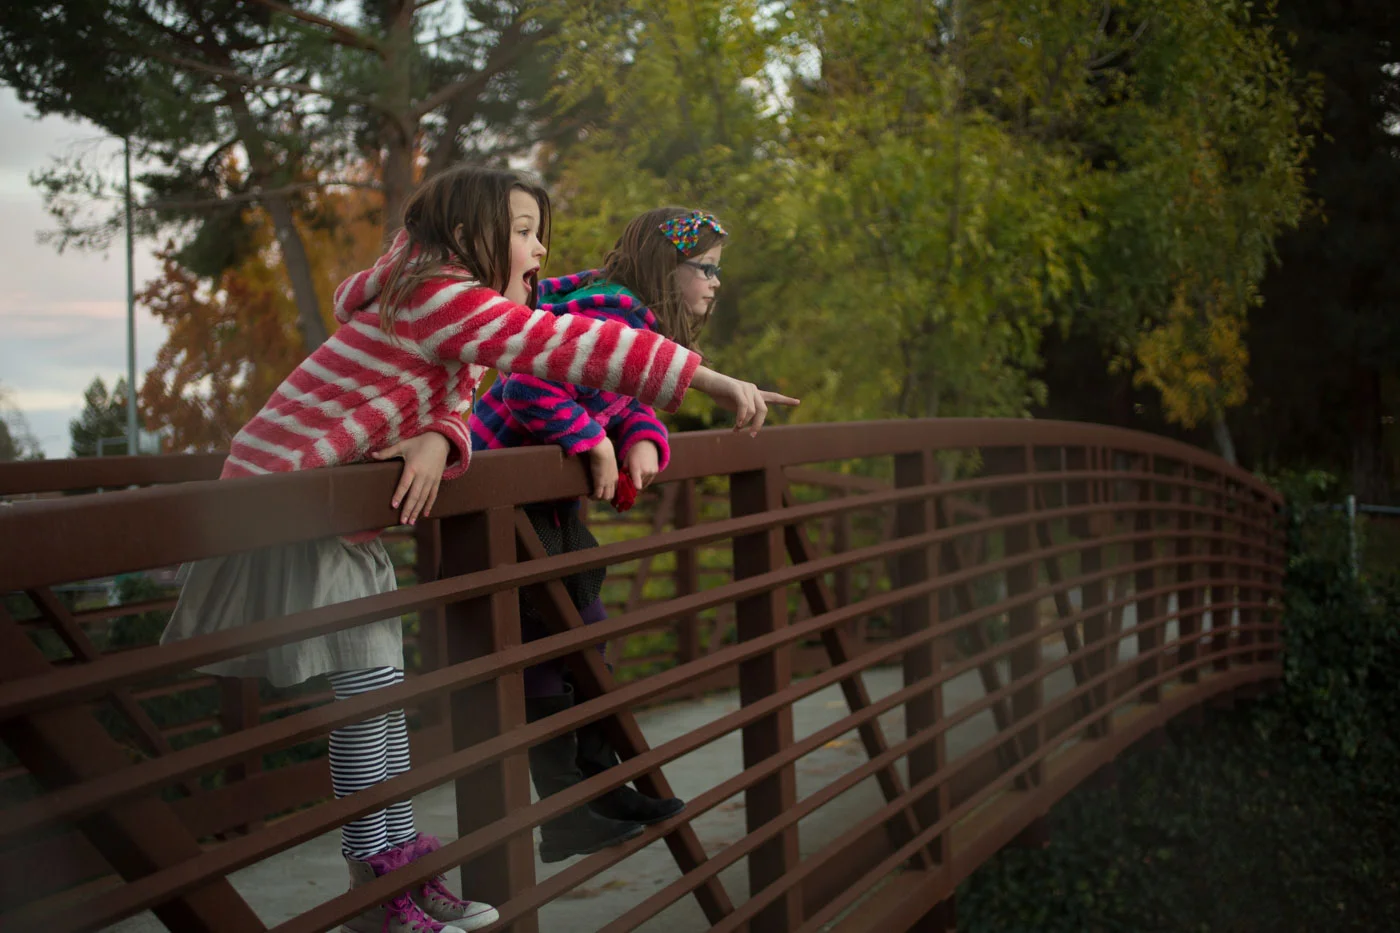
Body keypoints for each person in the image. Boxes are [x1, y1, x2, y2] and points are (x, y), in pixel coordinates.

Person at [160, 168, 797, 933]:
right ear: (470, 239)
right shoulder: (440, 296)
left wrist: (437, 435)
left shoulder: (445, 317)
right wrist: (711, 381)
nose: (542, 248)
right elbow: (556, 347)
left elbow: (459, 402)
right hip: (280, 513)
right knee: (368, 707)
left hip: (332, 523)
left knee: (381, 703)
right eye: (525, 230)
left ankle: (394, 863)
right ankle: (377, 891)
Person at [468, 207, 727, 864]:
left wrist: (642, 438)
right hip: (498, 499)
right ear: (669, 270)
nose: (716, 283)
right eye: (708, 269)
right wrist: (592, 443)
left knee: (589, 625)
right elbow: (525, 383)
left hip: (544, 501)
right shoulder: (608, 316)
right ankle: (566, 809)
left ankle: (601, 785)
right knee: (553, 640)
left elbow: (626, 396)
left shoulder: (633, 322)